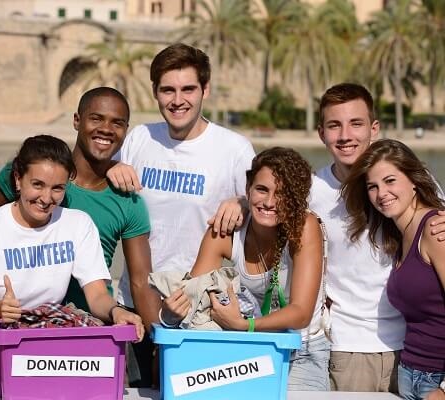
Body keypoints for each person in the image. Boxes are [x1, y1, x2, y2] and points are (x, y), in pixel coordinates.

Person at [106, 43, 256, 387]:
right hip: (135, 305)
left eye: (188, 89)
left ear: (205, 89)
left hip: (202, 314)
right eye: (167, 90)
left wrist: (241, 203)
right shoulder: (139, 138)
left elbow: (264, 204)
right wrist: (111, 172)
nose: (178, 100)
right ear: (155, 93)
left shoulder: (233, 148)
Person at [0, 87, 161, 386]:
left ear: (125, 131)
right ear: (77, 121)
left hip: (89, 326)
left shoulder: (128, 201)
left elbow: (140, 282)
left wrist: (160, 343)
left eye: (117, 123)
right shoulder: (28, 174)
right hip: (23, 328)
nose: (106, 129)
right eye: (96, 118)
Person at [0, 135, 144, 385]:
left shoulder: (78, 224)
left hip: (40, 347)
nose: (46, 198)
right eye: (37, 184)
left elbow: (97, 296)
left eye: (57, 188)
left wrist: (116, 311)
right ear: (17, 179)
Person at [310, 83, 445, 393]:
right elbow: (266, 212)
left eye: (356, 123)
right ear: (321, 133)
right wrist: (238, 204)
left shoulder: (413, 184)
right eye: (334, 125)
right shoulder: (311, 190)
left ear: (374, 128)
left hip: (413, 350)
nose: (345, 135)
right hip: (349, 351)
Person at [162, 147, 329, 391]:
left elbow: (300, 313)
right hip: (248, 348)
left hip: (301, 351)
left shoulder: (305, 226)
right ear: (248, 187)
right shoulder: (227, 229)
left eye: (282, 194)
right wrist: (169, 315)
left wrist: (244, 325)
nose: (270, 202)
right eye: (262, 189)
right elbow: (193, 296)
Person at [341, 139, 445, 400]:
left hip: (435, 381)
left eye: (390, 181)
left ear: (414, 180)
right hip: (409, 376)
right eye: (372, 186)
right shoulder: (400, 235)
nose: (381, 193)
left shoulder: (435, 230)